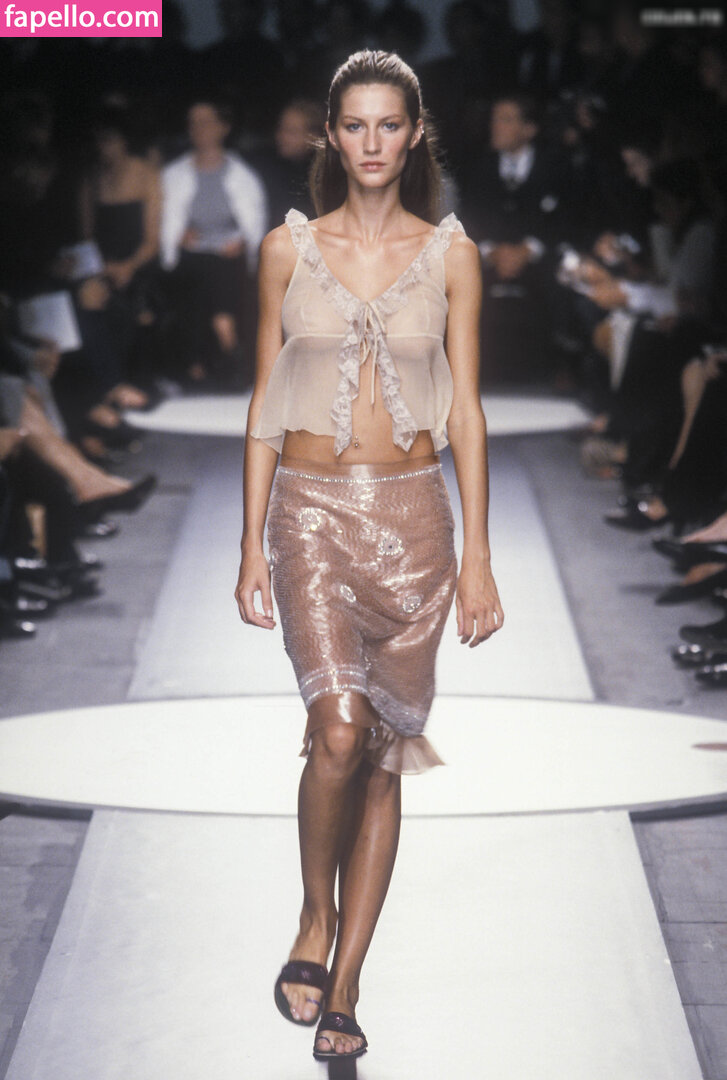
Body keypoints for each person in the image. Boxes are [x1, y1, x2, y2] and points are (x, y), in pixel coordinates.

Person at [235, 50, 503, 1060]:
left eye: (390, 124)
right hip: (307, 514)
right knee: (339, 731)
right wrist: (249, 543)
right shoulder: (286, 250)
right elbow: (263, 403)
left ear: (414, 133)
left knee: (382, 758)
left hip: (416, 524)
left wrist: (478, 557)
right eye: (355, 124)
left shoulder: (451, 256)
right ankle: (316, 913)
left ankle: (346, 981)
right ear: (331, 136)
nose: (373, 142)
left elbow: (465, 412)